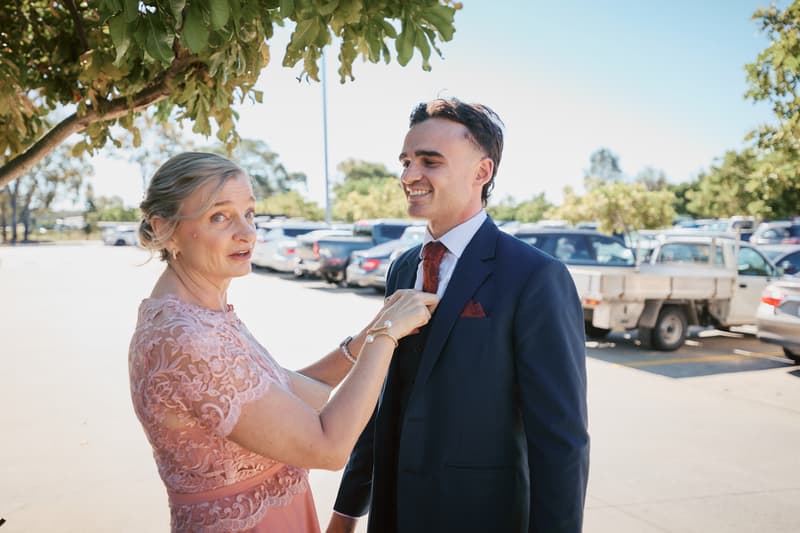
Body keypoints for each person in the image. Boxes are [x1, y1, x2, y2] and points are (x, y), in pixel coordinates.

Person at [128, 152, 438, 532]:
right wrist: (385, 335)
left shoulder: (204, 314)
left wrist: (367, 336)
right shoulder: (187, 339)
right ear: (165, 229)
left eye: (250, 213)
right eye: (219, 217)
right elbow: (328, 447)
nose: (246, 233)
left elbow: (302, 394)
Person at [327, 98, 590, 533]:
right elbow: (385, 398)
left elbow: (561, 441)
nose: (410, 175)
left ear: (481, 173)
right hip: (393, 515)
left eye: (430, 161)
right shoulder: (403, 267)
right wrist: (348, 510)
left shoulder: (535, 276)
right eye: (407, 161)